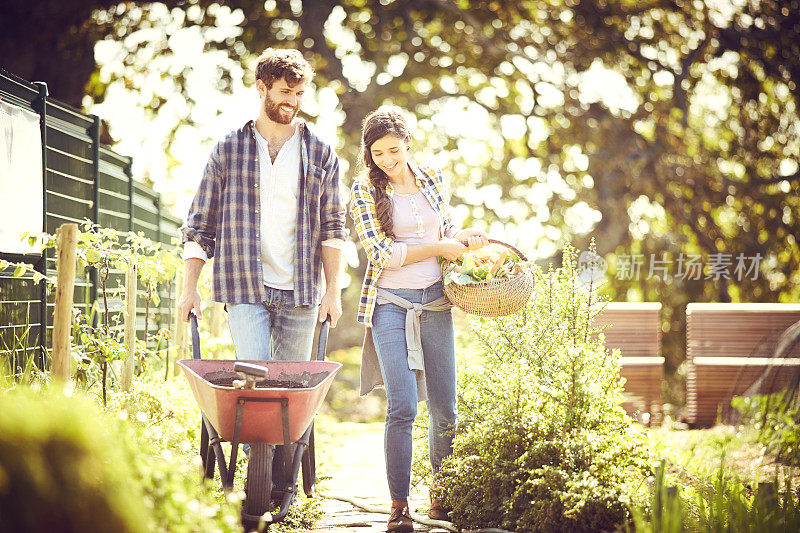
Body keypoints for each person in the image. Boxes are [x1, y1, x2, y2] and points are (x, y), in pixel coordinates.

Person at [177, 48, 347, 497]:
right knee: (255, 391)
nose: (292, 100)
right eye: (284, 92)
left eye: (299, 93)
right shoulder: (229, 150)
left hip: (301, 292)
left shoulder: (319, 153)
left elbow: (333, 228)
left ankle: (283, 483)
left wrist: (333, 290)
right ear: (262, 88)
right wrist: (189, 288)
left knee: (290, 393)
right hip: (243, 286)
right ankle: (260, 481)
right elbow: (200, 226)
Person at [349, 106, 488, 531]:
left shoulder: (433, 178)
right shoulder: (363, 192)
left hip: (435, 303)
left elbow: (444, 229)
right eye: (377, 154)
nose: (387, 160)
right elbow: (382, 254)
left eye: (393, 150)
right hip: (391, 305)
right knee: (404, 405)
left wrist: (461, 238)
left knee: (446, 408)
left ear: (408, 143)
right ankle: (398, 504)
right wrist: (438, 248)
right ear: (368, 155)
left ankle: (441, 496)